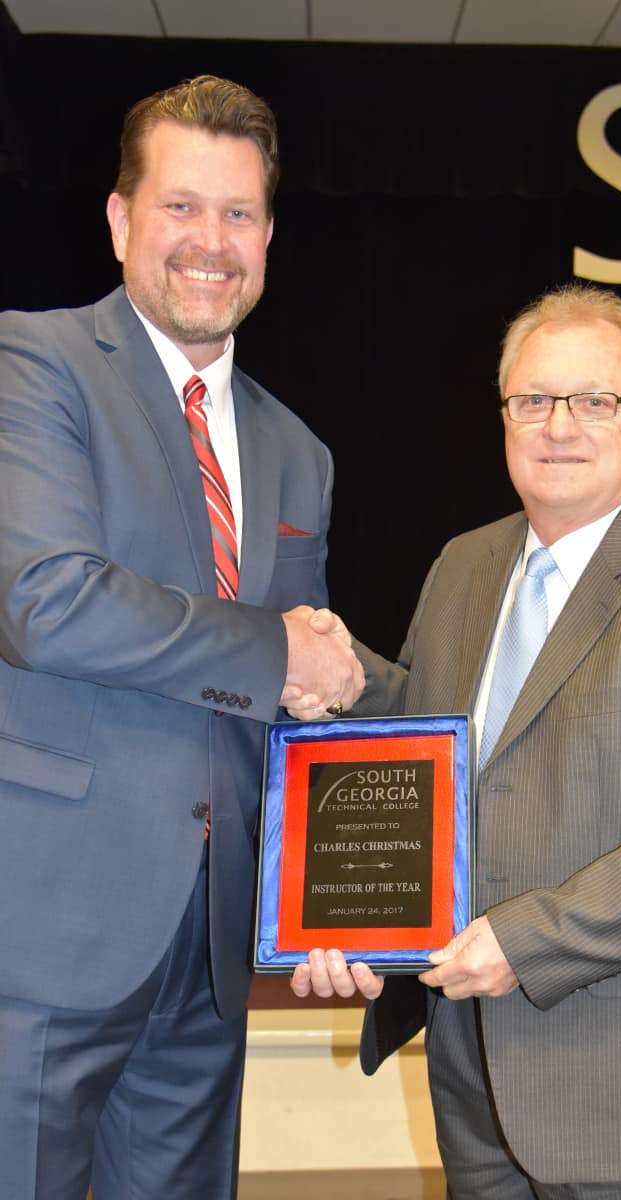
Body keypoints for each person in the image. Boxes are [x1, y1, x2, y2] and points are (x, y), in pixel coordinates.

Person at [292, 284, 621, 1199]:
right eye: (533, 399)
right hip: (470, 1077)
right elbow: (435, 742)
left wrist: (526, 942)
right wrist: (340, 678)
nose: (559, 425)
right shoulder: (464, 565)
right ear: (504, 419)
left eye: (595, 400)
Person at [0, 74, 363, 1199]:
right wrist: (278, 652)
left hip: (208, 962)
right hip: (42, 936)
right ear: (120, 220)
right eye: (181, 207)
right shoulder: (34, 363)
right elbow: (46, 601)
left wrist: (334, 901)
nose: (212, 241)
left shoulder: (298, 453)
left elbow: (300, 706)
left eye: (239, 213)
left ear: (268, 235)